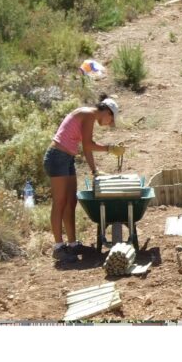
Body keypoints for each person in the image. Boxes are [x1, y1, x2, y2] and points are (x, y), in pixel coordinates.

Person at [43, 94, 124, 263]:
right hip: (57, 157)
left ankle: (72, 244)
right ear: (107, 112)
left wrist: (95, 170)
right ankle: (58, 247)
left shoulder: (89, 116)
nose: (109, 123)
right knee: (59, 202)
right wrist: (109, 148)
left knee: (70, 201)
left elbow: (87, 148)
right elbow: (88, 145)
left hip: (66, 158)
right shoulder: (88, 114)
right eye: (111, 120)